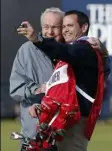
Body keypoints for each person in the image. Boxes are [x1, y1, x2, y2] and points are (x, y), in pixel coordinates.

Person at [20, 10, 110, 151]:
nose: (65, 30)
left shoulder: (84, 48)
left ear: (84, 27)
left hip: (74, 125)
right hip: (61, 122)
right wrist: (41, 105)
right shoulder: (74, 53)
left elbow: (66, 51)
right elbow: (62, 88)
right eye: (63, 26)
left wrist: (36, 39)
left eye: (70, 26)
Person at [9, 7, 65, 150]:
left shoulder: (70, 51)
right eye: (46, 27)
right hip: (34, 137)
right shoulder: (26, 51)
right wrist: (38, 89)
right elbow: (15, 90)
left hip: (65, 138)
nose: (50, 32)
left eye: (55, 27)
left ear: (63, 29)